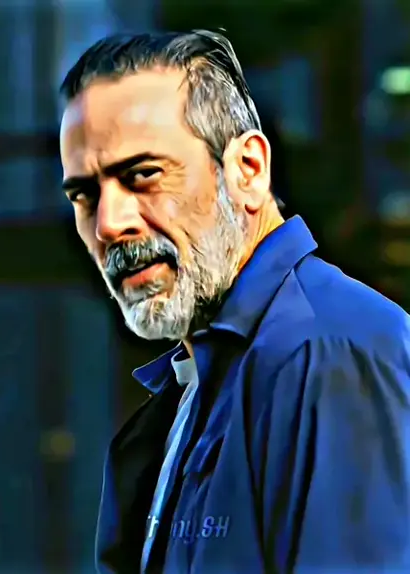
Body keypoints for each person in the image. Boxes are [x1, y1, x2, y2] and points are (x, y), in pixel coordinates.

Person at [59, 30, 410, 574]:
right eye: (85, 195)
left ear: (248, 170)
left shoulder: (330, 351)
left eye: (143, 175)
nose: (108, 223)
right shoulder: (208, 381)